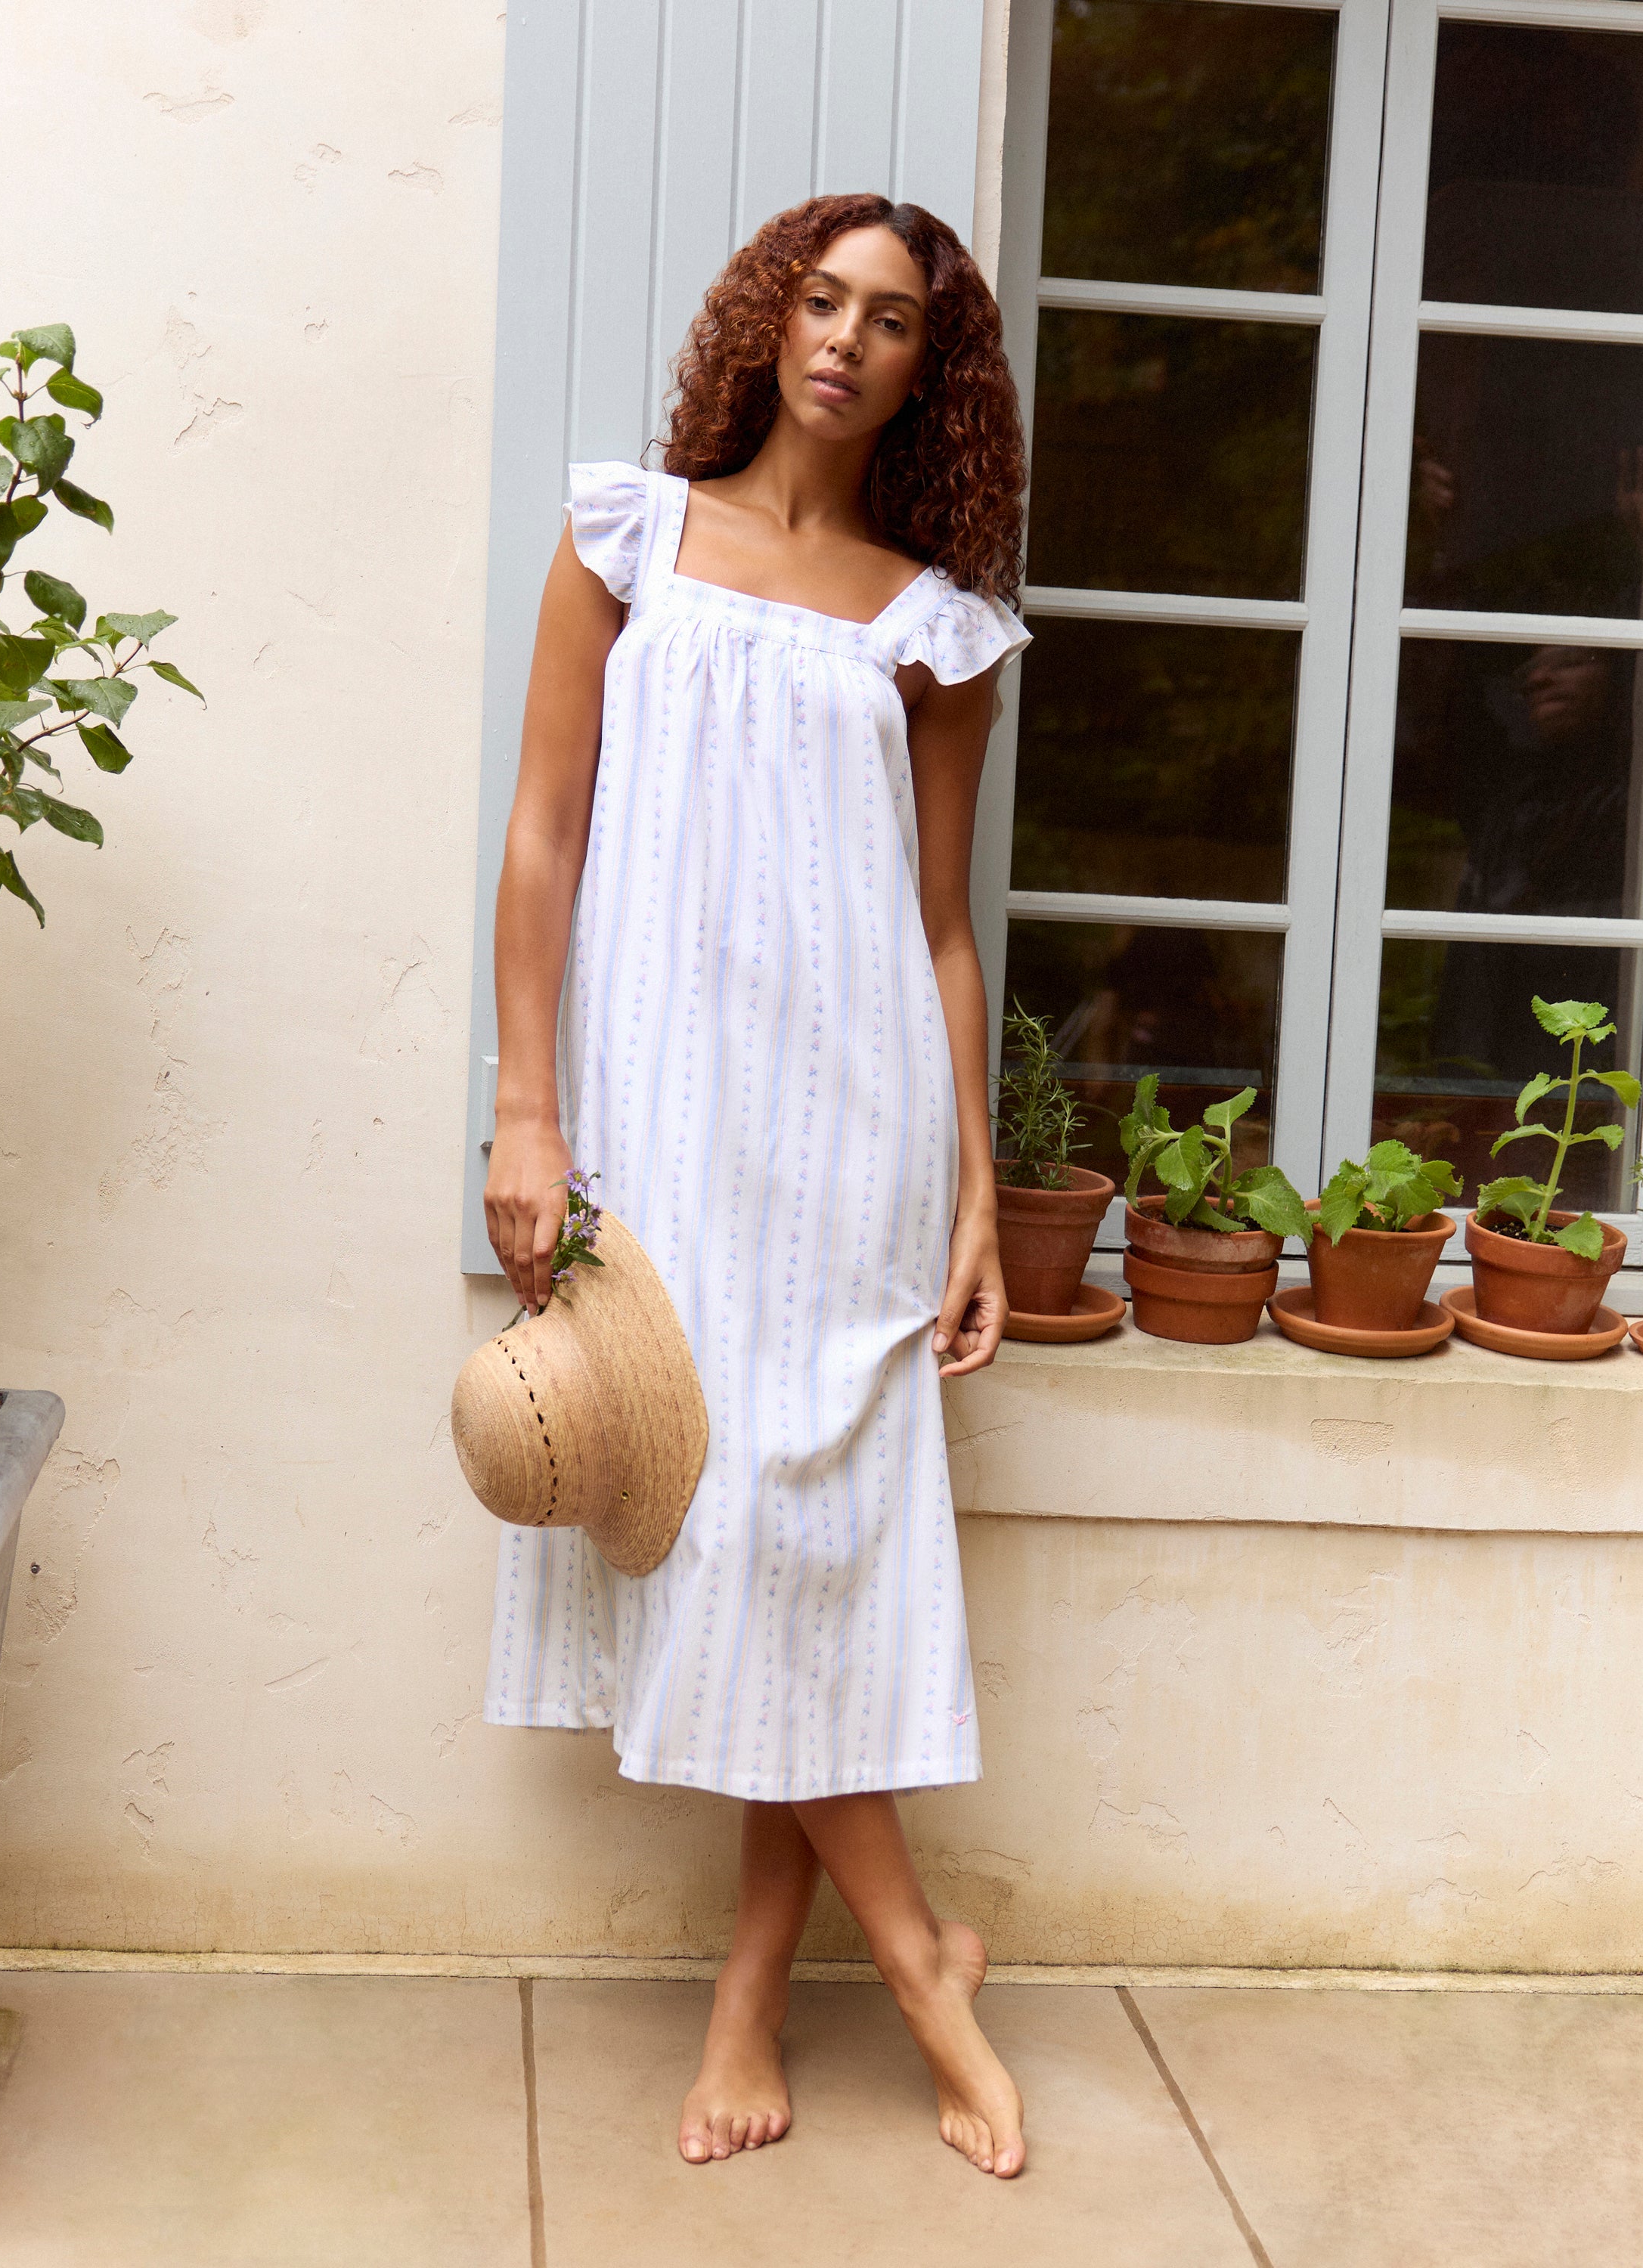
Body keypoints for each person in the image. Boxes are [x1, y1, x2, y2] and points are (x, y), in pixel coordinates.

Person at [482, 192, 1031, 2178]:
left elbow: (941, 930)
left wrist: (973, 1192)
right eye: (822, 298)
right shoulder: (626, 538)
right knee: (723, 1536)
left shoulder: (927, 624)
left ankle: (756, 1998)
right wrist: (525, 1112)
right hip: (669, 1132)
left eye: (892, 320)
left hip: (856, 1143)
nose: (846, 338)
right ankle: (922, 1971)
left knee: (808, 1557)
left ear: (924, 371)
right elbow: (542, 843)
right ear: (770, 319)